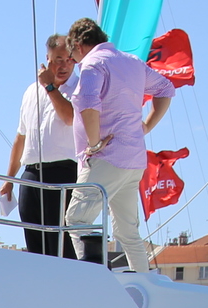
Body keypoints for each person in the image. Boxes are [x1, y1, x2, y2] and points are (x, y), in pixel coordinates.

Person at [59, 18, 173, 270]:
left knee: (77, 220)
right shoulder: (132, 62)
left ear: (78, 46)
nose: (73, 61)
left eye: (72, 55)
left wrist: (94, 144)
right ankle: (144, 282)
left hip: (106, 158)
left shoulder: (93, 63)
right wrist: (146, 126)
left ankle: (93, 279)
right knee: (127, 232)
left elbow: (89, 104)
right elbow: (166, 88)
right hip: (133, 160)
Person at [3, 35, 79, 258]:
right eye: (58, 60)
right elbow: (21, 137)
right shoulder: (30, 91)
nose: (64, 66)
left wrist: (50, 87)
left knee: (60, 243)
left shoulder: (80, 87)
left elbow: (70, 118)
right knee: (34, 241)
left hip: (63, 172)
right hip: (31, 174)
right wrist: (9, 179)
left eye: (69, 60)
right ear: (47, 59)